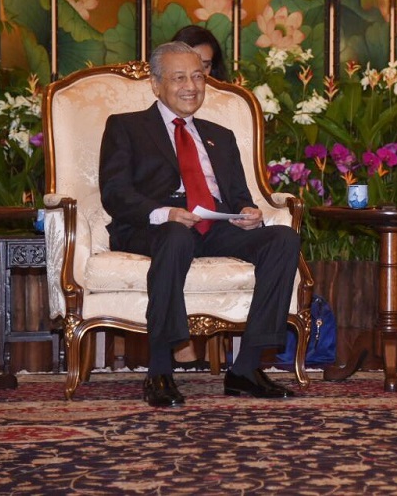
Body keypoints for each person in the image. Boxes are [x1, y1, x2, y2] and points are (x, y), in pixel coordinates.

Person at [99, 41, 300, 406]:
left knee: (282, 239)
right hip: (155, 225)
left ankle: (247, 369)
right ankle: (160, 370)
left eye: (197, 76)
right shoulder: (126, 127)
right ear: (156, 84)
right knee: (176, 236)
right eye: (178, 78)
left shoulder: (219, 136)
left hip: (213, 224)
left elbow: (238, 193)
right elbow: (114, 193)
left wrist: (246, 211)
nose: (191, 86)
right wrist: (165, 213)